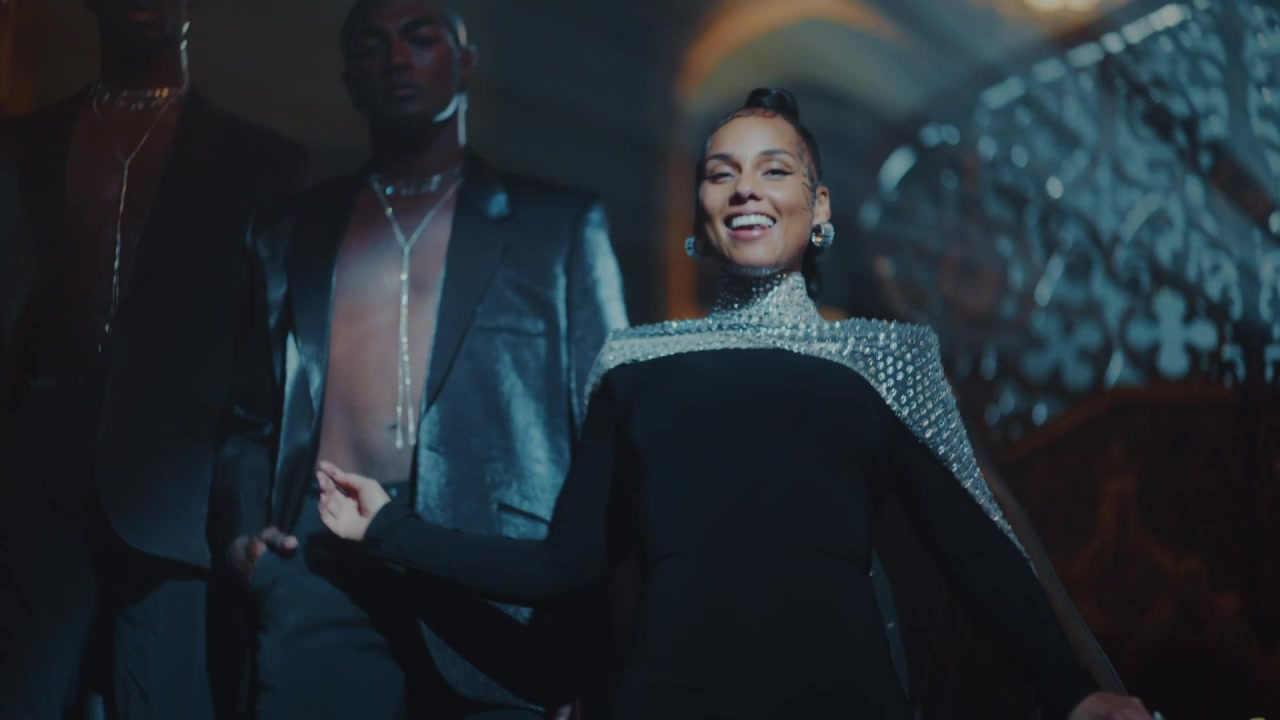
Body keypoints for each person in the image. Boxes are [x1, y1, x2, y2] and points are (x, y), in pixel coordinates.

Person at [315, 88, 1155, 720]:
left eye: (774, 170)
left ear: (818, 208)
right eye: (722, 174)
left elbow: (973, 547)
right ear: (702, 214)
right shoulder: (633, 360)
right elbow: (559, 568)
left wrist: (1073, 692)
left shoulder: (884, 357)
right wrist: (388, 529)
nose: (745, 189)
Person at [231, 1, 628, 718]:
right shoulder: (295, 229)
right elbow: (249, 409)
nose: (396, 58)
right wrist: (244, 540)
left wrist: (588, 622)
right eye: (372, 44)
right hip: (322, 558)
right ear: (349, 77)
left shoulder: (558, 225)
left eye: (420, 38)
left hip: (496, 576)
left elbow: (612, 428)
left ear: (465, 63)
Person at [0, 1, 305, 718]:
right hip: (31, 494)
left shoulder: (259, 161)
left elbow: (264, 366)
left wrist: (245, 514)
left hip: (177, 506)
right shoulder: (23, 145)